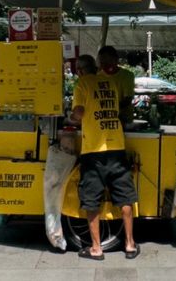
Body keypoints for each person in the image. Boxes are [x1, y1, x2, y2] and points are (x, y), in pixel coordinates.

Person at [70, 54, 138, 260]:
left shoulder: (82, 84)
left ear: (81, 71)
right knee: (124, 197)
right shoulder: (110, 82)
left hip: (93, 150)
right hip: (116, 146)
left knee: (92, 200)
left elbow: (80, 112)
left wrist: (72, 117)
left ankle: (97, 248)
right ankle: (130, 244)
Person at [98, 45, 135, 127]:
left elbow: (128, 99)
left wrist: (111, 110)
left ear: (115, 60)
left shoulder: (127, 75)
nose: (104, 66)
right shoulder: (97, 77)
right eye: (102, 63)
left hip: (124, 120)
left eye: (107, 62)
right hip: (102, 121)